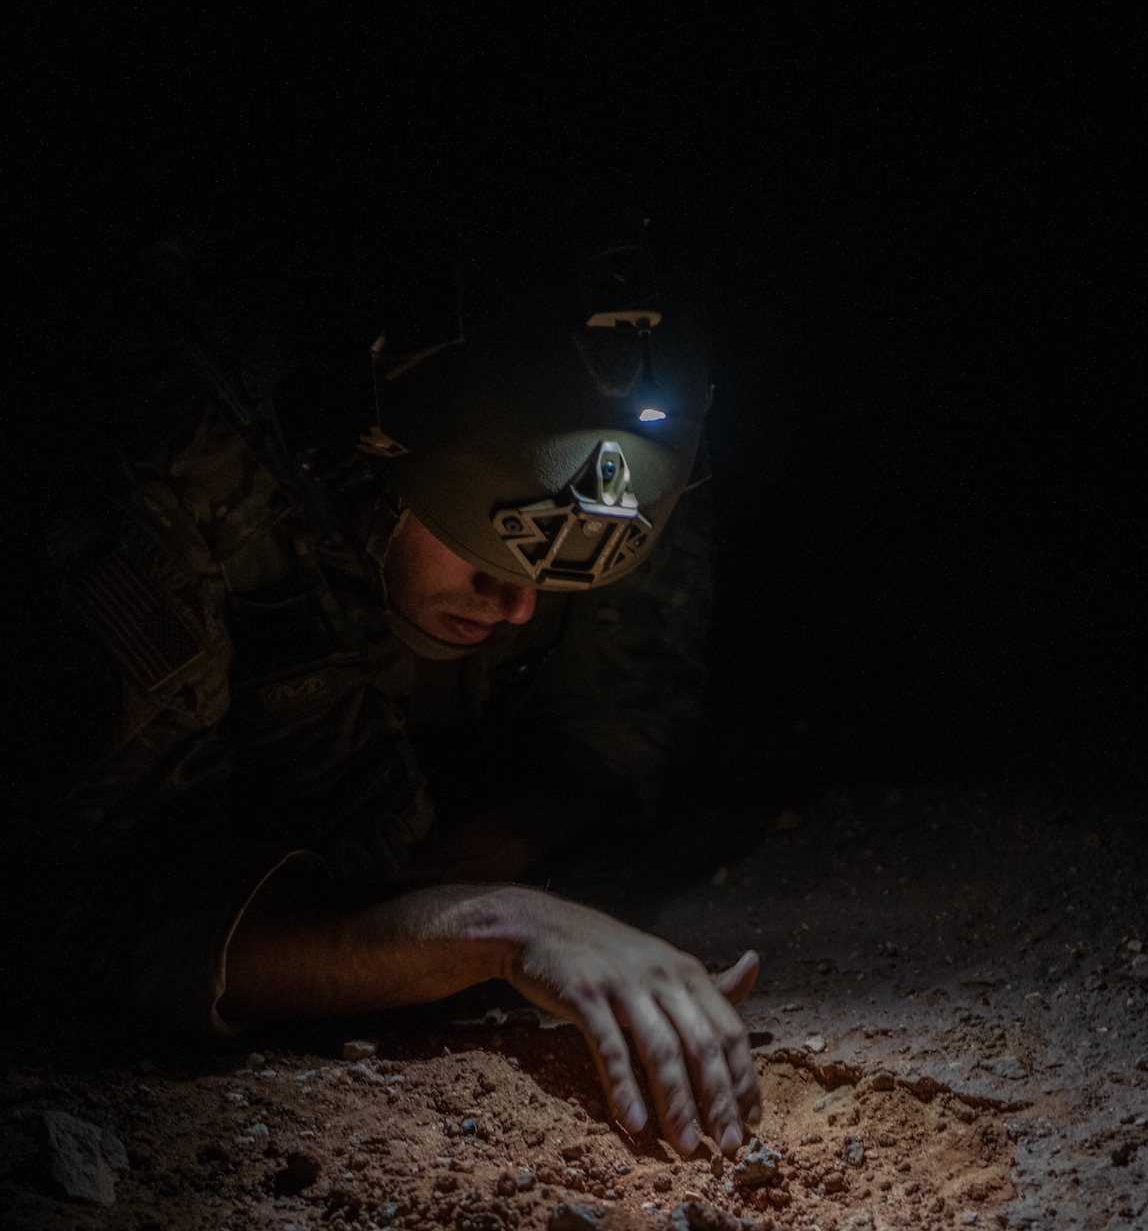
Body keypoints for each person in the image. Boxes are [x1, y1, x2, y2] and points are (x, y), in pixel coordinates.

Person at [8, 227, 761, 1158]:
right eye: (483, 551)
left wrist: (509, 833)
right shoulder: (174, 457)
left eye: (555, 574)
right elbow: (79, 895)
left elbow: (622, 719)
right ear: (373, 461)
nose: (521, 605)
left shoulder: (619, 448)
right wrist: (501, 922)